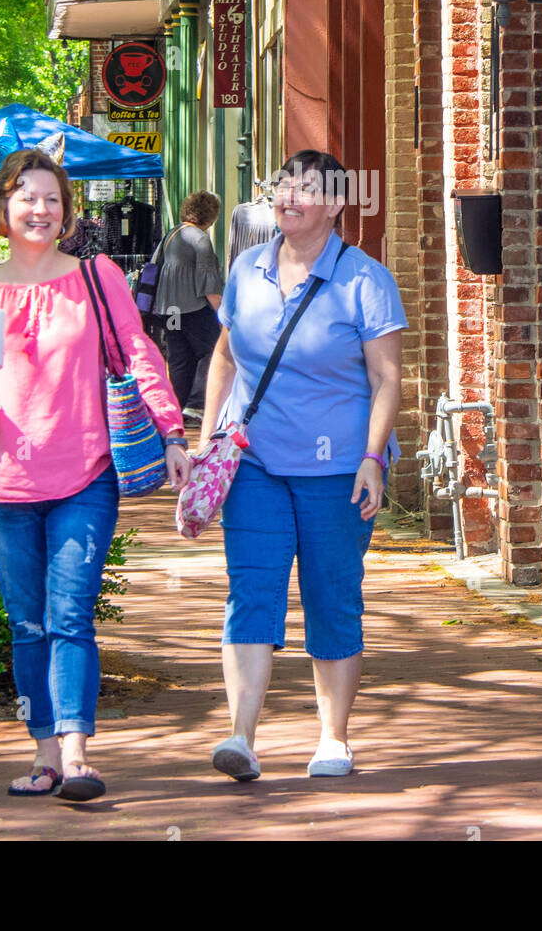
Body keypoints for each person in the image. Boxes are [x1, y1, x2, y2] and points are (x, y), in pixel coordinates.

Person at [0, 148, 191, 802]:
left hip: (85, 475)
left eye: (51, 198)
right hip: (3, 485)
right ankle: (41, 753)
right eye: (26, 197)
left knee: (70, 616)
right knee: (28, 624)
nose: (39, 209)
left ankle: (75, 758)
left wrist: (172, 430)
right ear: (3, 210)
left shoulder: (97, 277)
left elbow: (139, 352)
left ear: (66, 210)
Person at [199, 150, 406, 782]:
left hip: (337, 471)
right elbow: (226, 360)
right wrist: (209, 440)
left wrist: (372, 458)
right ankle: (241, 737)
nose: (289, 195)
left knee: (331, 597)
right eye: (284, 183)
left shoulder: (364, 279)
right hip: (254, 464)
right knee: (250, 595)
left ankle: (334, 739)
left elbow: (386, 378)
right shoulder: (246, 269)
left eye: (307, 187)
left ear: (337, 205)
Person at [154, 190, 225, 410]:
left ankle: (177, 404)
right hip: (192, 308)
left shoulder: (172, 233)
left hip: (170, 309)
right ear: (210, 215)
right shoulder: (200, 238)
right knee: (212, 350)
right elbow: (209, 284)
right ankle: (196, 404)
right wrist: (222, 314)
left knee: (179, 356)